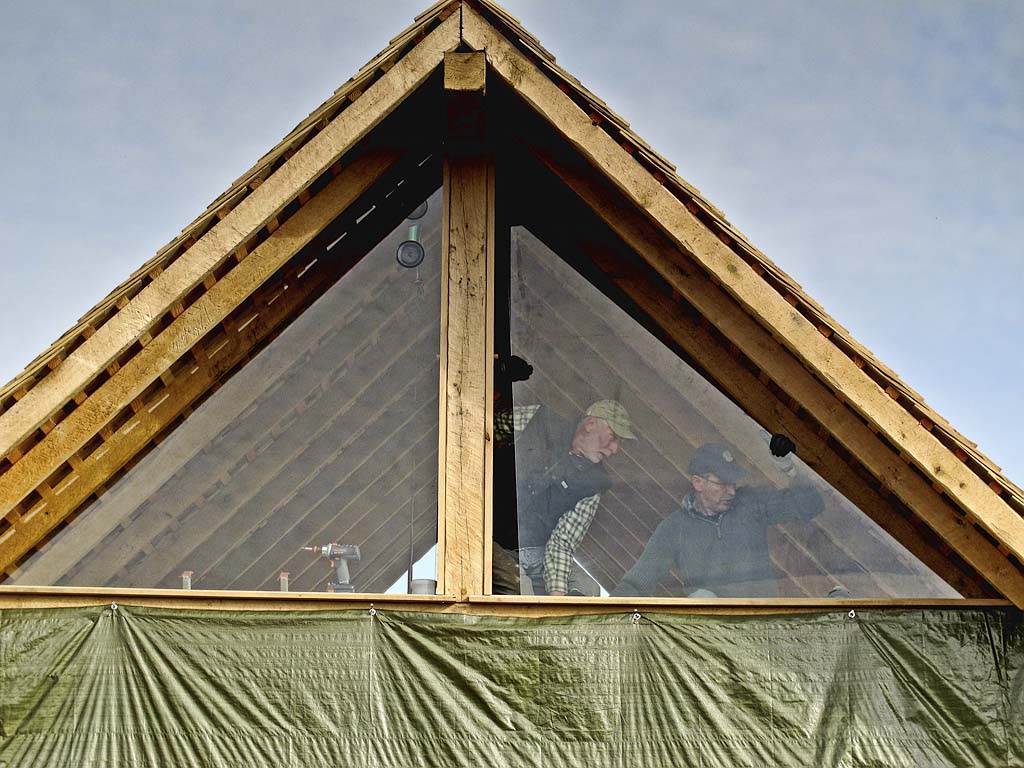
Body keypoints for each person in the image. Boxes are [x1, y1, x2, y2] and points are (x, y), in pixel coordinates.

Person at [612, 440, 823, 598]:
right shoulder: (675, 528)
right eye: (722, 483)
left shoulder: (751, 505)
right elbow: (636, 584)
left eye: (733, 483)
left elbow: (810, 504)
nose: (731, 491)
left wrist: (789, 468)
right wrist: (603, 619)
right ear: (698, 482)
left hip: (759, 627)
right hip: (709, 632)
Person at [492, 399, 635, 596]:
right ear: (590, 424)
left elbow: (562, 543)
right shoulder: (539, 420)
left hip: (539, 554)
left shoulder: (595, 484)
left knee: (588, 589)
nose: (615, 449)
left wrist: (557, 595)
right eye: (613, 437)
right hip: (493, 542)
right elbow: (488, 425)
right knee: (521, 589)